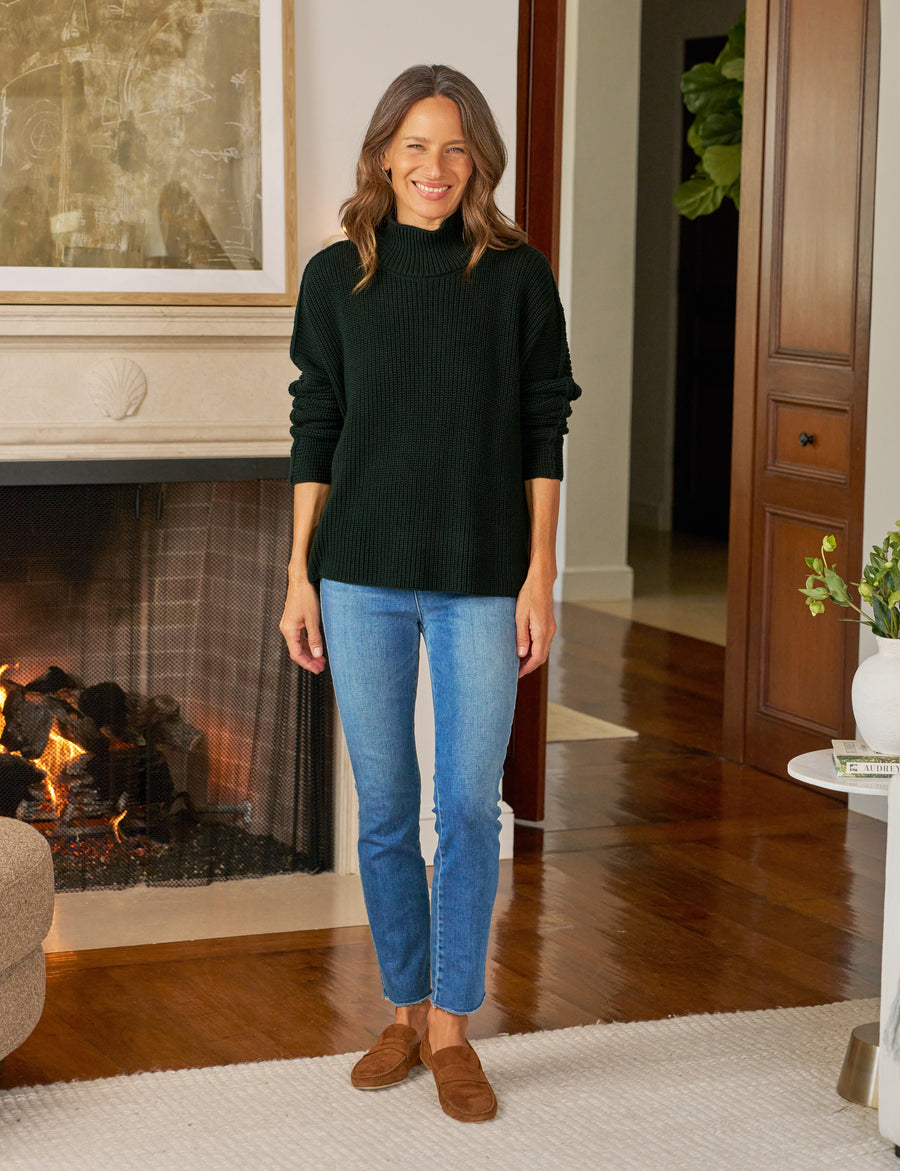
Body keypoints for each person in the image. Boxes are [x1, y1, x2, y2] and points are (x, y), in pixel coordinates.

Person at [280, 63, 580, 1123]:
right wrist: (297, 576)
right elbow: (316, 424)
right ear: (382, 156)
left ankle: (454, 1027)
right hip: (356, 575)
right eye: (415, 145)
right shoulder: (334, 277)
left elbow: (546, 421)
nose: (434, 167)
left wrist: (541, 572)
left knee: (463, 805)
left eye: (455, 147)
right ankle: (401, 1010)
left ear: (479, 162)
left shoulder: (515, 276)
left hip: (482, 582)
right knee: (387, 810)